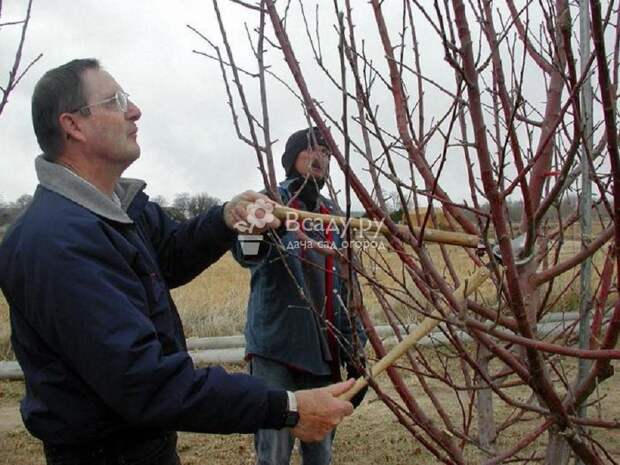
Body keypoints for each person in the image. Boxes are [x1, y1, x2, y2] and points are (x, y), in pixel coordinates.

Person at [0, 59, 355, 465]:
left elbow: (169, 253)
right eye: (116, 101)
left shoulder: (121, 208)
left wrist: (225, 216)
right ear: (73, 125)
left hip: (146, 443)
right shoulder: (59, 241)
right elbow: (142, 381)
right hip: (105, 454)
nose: (135, 111)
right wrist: (286, 409)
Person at [232, 127, 368, 465]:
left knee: (320, 450)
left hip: (324, 350)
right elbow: (246, 253)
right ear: (292, 158)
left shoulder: (334, 215)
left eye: (327, 152)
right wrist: (257, 228)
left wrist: (356, 349)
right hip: (277, 348)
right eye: (311, 149)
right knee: (274, 452)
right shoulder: (270, 204)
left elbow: (348, 287)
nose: (321, 156)